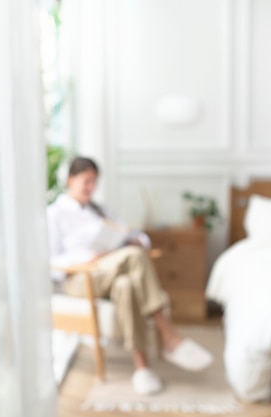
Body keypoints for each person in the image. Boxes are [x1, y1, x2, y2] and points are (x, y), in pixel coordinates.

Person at [47, 156, 213, 395]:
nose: (91, 188)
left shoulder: (100, 210)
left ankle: (142, 367)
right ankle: (168, 334)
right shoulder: (55, 213)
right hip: (80, 280)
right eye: (86, 181)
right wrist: (85, 260)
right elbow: (50, 261)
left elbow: (133, 233)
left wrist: (136, 239)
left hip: (111, 273)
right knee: (134, 257)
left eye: (95, 182)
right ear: (70, 180)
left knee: (126, 284)